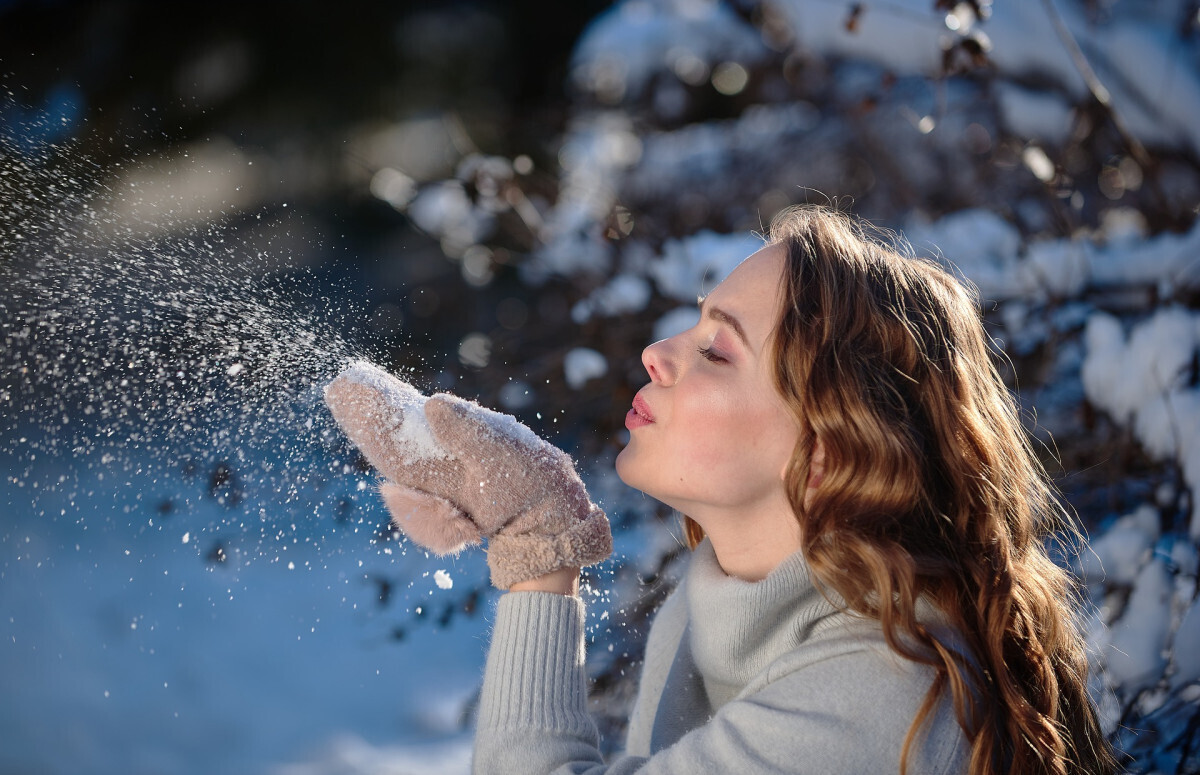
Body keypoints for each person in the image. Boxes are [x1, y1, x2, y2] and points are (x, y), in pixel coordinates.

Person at [324, 205, 1117, 775]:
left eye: (717, 351)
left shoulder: (884, 696)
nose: (658, 352)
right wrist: (537, 535)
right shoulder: (714, 606)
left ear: (826, 450)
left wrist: (539, 547)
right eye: (695, 325)